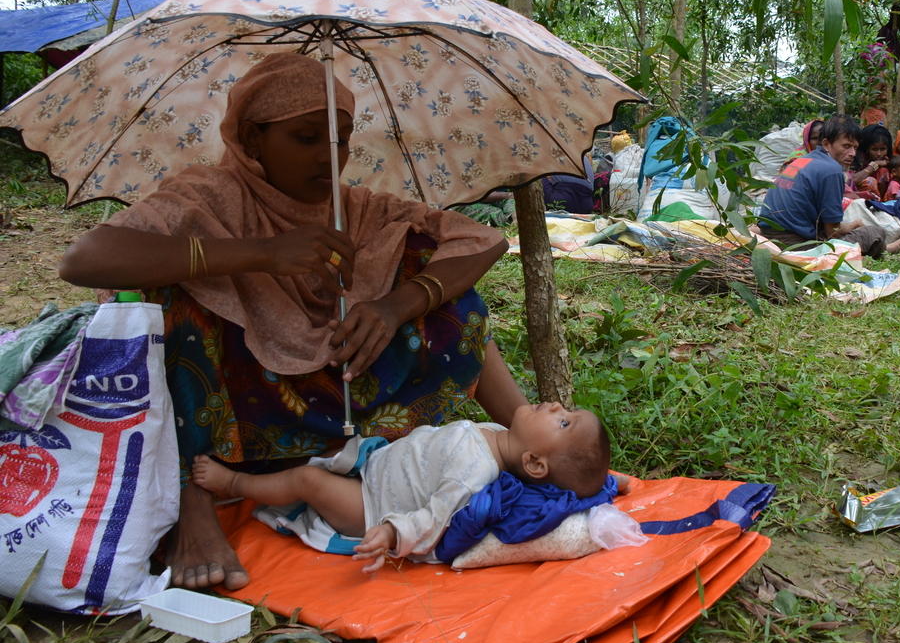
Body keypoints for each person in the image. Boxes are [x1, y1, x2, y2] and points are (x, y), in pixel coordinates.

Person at [57, 53, 529, 591]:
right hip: (240, 414)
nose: (331, 160)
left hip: (349, 402)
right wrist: (262, 253)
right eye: (307, 138)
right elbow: (85, 259)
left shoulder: (357, 207)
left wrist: (394, 306)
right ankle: (194, 502)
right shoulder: (206, 195)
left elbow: (481, 240)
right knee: (167, 299)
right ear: (253, 140)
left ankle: (519, 435)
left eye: (342, 140)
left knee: (435, 273)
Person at [191, 402, 611, 571]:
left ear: (536, 463)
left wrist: (393, 531)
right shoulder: (497, 433)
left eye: (563, 421)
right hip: (375, 465)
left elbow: (435, 520)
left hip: (370, 505)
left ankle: (234, 482)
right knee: (318, 447)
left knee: (307, 481)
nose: (556, 405)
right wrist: (611, 484)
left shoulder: (475, 472)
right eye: (567, 410)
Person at [757, 114, 888, 257]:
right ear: (826, 144)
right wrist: (852, 225)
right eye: (846, 146)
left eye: (855, 148)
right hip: (794, 243)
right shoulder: (831, 170)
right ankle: (885, 251)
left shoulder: (803, 160)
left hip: (770, 233)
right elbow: (832, 231)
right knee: (874, 233)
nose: (852, 153)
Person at [849, 123, 893, 200]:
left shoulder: (890, 161)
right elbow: (852, 180)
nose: (879, 154)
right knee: (870, 182)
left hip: (882, 199)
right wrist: (874, 165)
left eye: (882, 149)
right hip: (855, 197)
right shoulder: (854, 157)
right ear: (866, 148)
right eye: (874, 149)